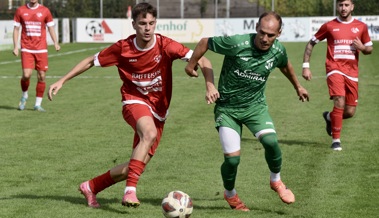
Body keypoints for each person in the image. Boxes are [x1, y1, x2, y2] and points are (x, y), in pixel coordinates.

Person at [48, 3, 217, 208]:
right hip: (134, 101)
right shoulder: (123, 48)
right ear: (134, 25)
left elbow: (203, 59)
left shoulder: (166, 45)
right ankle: (130, 192)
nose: (147, 28)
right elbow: (91, 61)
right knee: (149, 133)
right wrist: (62, 80)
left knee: (135, 167)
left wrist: (209, 85)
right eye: (143, 23)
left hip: (159, 110)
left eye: (151, 23)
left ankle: (91, 187)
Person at [185, 11, 309, 211]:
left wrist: (298, 87)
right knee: (232, 160)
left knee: (271, 142)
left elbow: (285, 65)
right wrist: (191, 67)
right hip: (227, 109)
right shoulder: (237, 43)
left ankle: (276, 181)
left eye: (270, 35)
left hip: (255, 107)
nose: (264, 38)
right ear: (256, 28)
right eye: (262, 32)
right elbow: (205, 41)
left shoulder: (278, 50)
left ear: (279, 33)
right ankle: (230, 194)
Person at [302, 0, 373, 151]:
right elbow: (311, 43)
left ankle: (329, 117)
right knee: (339, 100)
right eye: (340, 5)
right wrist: (306, 66)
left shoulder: (361, 26)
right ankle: (336, 141)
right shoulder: (329, 26)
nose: (343, 8)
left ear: (352, 6)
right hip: (334, 68)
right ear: (337, 6)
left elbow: (369, 49)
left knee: (349, 112)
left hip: (352, 72)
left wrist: (362, 48)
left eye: (346, 5)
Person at [13, 0, 60, 112]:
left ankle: (37, 104)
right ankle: (25, 95)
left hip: (41, 48)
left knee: (42, 76)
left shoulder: (45, 11)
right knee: (26, 74)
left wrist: (55, 42)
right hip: (26, 47)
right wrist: (15, 47)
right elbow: (16, 29)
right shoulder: (20, 10)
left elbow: (50, 28)